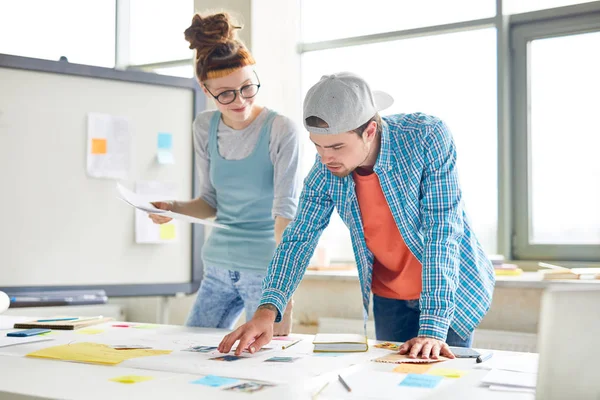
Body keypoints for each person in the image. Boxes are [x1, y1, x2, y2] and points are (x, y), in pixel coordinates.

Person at [219, 72, 495, 357]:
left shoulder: (427, 137)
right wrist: (268, 309)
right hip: (391, 297)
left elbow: (443, 230)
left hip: (447, 290)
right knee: (389, 383)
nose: (326, 159)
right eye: (318, 146)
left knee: (441, 383)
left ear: (370, 131)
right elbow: (298, 238)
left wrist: (433, 328)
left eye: (337, 146)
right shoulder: (326, 169)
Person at [149, 11, 301, 335]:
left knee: (266, 364)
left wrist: (281, 288)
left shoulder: (280, 129)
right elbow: (209, 202)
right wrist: (172, 209)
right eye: (226, 93)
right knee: (190, 355)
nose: (241, 100)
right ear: (206, 90)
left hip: (265, 271)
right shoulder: (205, 126)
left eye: (248, 87)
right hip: (217, 268)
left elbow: (285, 212)